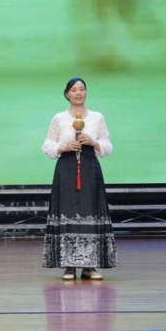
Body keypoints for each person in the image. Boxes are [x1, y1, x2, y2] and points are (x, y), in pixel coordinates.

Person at [41, 78, 117, 280]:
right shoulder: (59, 118)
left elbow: (107, 145)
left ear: (86, 92)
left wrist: (93, 142)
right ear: (67, 94)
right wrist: (63, 147)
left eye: (82, 89)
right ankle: (69, 265)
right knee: (68, 211)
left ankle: (90, 266)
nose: (78, 93)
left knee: (90, 210)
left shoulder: (97, 117)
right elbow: (47, 144)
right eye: (74, 90)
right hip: (66, 168)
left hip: (89, 168)